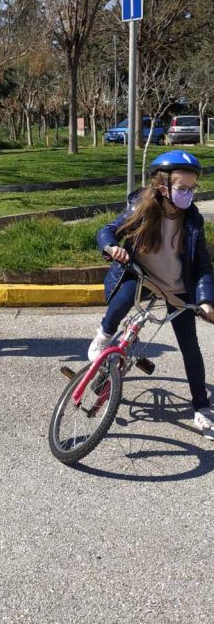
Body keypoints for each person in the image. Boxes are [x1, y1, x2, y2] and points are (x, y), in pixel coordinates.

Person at [88, 150, 214, 437]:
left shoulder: (193, 220)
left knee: (190, 346)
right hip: (142, 276)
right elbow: (107, 231)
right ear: (162, 187)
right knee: (123, 298)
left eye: (192, 188)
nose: (188, 194)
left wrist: (206, 300)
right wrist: (111, 247)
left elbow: (203, 265)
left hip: (177, 288)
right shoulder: (141, 207)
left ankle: (201, 407)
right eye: (182, 188)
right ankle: (104, 336)